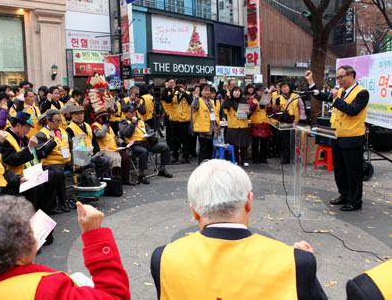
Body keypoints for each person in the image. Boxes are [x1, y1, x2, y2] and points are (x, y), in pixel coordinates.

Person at [150, 159, 327, 299]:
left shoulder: (163, 258)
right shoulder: (296, 262)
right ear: (249, 202)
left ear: (194, 211)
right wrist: (305, 270)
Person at [0, 196, 130, 298]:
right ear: (20, 254)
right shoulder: (45, 289)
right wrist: (94, 234)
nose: (36, 239)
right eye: (31, 236)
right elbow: (115, 296)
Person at [307, 67, 369, 211]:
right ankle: (344, 195)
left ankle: (354, 201)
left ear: (351, 75)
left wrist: (335, 99)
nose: (339, 80)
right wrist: (311, 82)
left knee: (353, 172)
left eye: (342, 77)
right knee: (340, 170)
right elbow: (322, 96)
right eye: (338, 78)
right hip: (337, 136)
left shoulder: (362, 93)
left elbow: (352, 110)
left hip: (353, 138)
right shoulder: (340, 92)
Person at [119, 104, 172, 184]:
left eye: (134, 111)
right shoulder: (123, 122)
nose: (134, 113)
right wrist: (133, 123)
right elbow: (127, 133)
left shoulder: (140, 121)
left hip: (147, 143)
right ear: (126, 113)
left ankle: (162, 169)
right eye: (131, 112)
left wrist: (151, 134)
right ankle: (141, 175)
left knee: (165, 148)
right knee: (144, 152)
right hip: (135, 145)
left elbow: (147, 130)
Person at [0, 112, 42, 209]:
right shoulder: (6, 139)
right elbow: (13, 160)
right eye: (27, 128)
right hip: (12, 179)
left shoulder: (23, 138)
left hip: (26, 174)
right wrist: (30, 148)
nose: (28, 131)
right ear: (18, 125)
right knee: (31, 189)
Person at [35, 110, 72, 214]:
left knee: (86, 164)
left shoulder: (63, 131)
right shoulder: (41, 134)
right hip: (50, 163)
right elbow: (42, 153)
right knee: (57, 173)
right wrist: (51, 141)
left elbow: (71, 146)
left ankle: (74, 198)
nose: (57, 123)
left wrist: (74, 162)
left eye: (59, 121)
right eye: (55, 121)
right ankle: (60, 203)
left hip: (65, 161)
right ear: (48, 121)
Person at [91, 109, 134, 185]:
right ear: (99, 117)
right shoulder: (94, 126)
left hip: (114, 149)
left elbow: (115, 137)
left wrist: (122, 143)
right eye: (104, 116)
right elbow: (100, 134)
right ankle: (116, 181)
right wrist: (105, 124)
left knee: (126, 157)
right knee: (115, 159)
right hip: (104, 150)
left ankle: (125, 179)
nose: (106, 117)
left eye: (107, 116)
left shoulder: (108, 126)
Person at [65, 105, 110, 178]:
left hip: (91, 155)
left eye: (81, 113)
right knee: (89, 165)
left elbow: (94, 141)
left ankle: (100, 180)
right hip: (80, 157)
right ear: (72, 116)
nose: (79, 116)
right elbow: (70, 147)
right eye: (77, 114)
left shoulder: (88, 126)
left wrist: (97, 153)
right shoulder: (69, 129)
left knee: (105, 161)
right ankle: (92, 182)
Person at [273, 82, 306, 164]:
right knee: (284, 141)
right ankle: (285, 158)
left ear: (289, 88)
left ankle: (295, 158)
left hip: (295, 122)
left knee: (295, 141)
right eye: (282, 87)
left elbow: (301, 107)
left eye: (286, 87)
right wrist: (276, 104)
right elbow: (275, 110)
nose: (284, 89)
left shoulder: (296, 96)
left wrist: (302, 118)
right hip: (284, 123)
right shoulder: (279, 97)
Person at [192, 83, 220, 164]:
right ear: (201, 91)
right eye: (205, 90)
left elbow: (215, 114)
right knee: (203, 149)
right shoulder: (199, 100)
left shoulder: (211, 101)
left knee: (210, 149)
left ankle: (208, 165)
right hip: (203, 129)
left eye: (208, 90)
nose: (207, 92)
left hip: (211, 129)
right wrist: (196, 97)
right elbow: (194, 106)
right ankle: (201, 166)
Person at [165, 80, 192, 164]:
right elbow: (167, 100)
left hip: (184, 120)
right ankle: (175, 156)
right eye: (178, 86)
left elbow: (190, 101)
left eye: (181, 86)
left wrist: (183, 92)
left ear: (184, 86)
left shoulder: (188, 93)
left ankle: (185, 156)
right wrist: (173, 92)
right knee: (174, 140)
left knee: (185, 139)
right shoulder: (174, 93)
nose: (179, 88)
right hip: (174, 119)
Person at [222, 86, 250, 166]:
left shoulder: (243, 100)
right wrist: (227, 96)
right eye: (235, 91)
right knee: (234, 144)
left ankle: (245, 160)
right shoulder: (229, 101)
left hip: (243, 125)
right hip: (233, 126)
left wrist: (249, 112)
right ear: (232, 92)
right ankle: (236, 159)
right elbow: (224, 106)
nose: (237, 93)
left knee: (244, 144)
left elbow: (249, 109)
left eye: (239, 91)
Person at [249, 83, 272, 163]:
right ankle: (255, 158)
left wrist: (269, 106)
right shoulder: (252, 98)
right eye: (260, 91)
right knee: (255, 142)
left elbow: (269, 111)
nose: (262, 92)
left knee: (264, 142)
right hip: (256, 122)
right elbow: (250, 109)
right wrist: (254, 105)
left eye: (263, 91)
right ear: (257, 91)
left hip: (264, 122)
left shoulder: (266, 98)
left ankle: (263, 157)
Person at [161, 79, 176, 154]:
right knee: (169, 132)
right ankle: (170, 147)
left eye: (173, 82)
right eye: (171, 83)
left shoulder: (173, 91)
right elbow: (166, 99)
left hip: (175, 115)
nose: (172, 84)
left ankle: (175, 147)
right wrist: (167, 88)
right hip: (168, 115)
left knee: (174, 133)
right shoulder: (165, 91)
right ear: (166, 83)